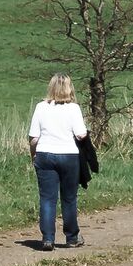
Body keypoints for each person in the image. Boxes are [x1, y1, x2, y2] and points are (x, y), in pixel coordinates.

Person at [28, 72, 88, 248]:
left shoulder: (41, 107)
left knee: (47, 198)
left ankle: (48, 238)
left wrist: (33, 155)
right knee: (69, 198)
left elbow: (33, 137)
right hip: (69, 155)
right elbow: (81, 133)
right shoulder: (73, 108)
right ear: (70, 88)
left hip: (45, 154)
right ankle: (72, 237)